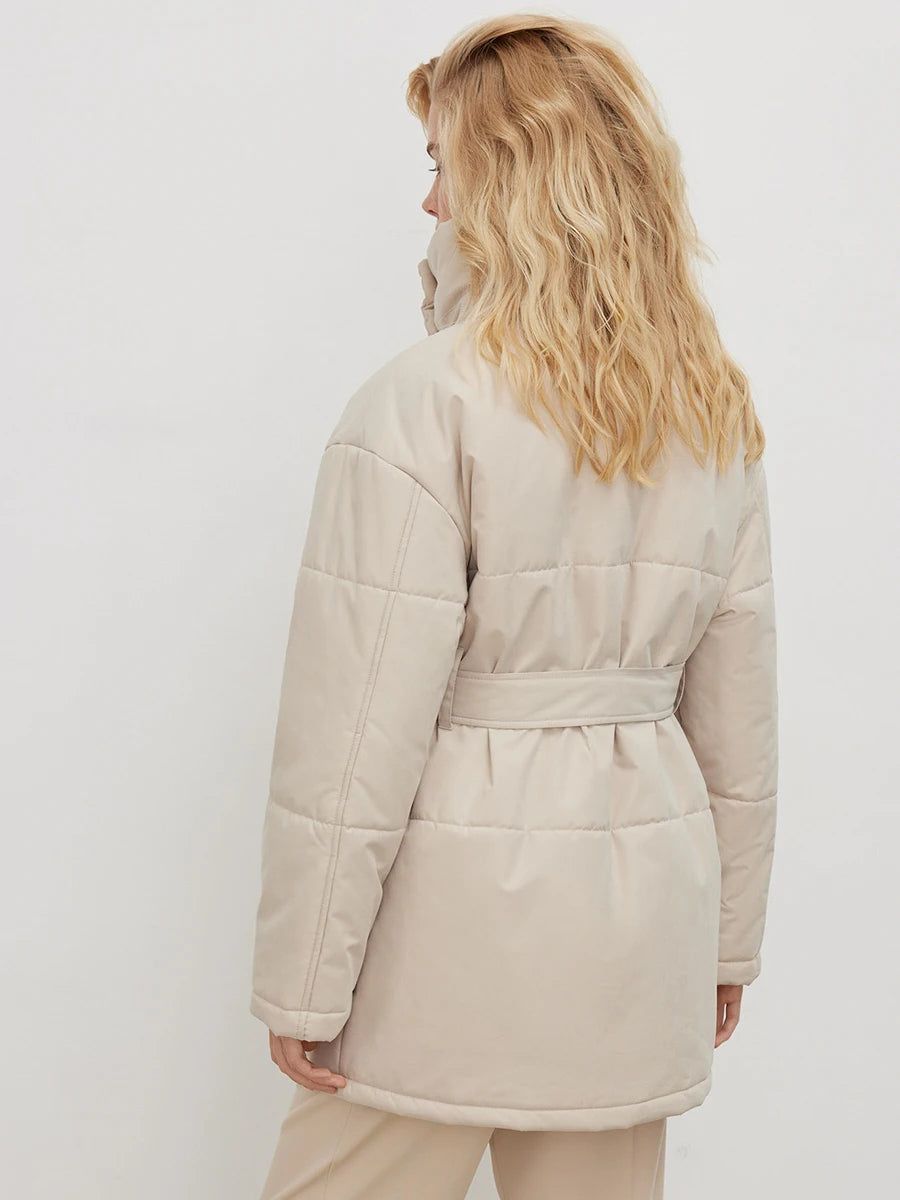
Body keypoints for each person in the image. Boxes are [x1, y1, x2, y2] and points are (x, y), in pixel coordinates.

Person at [249, 13, 778, 1200]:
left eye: (443, 165)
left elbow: (356, 730)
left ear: (509, 179)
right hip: (641, 921)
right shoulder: (710, 407)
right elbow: (738, 722)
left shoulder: (422, 402)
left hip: (445, 940)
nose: (429, 202)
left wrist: (304, 975)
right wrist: (726, 940)